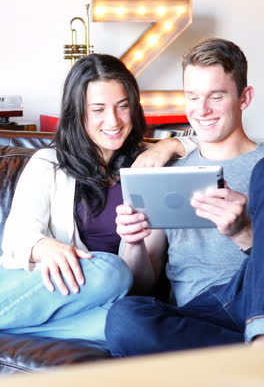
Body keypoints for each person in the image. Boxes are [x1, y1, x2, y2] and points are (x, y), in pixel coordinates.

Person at [0, 53, 196, 344]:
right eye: (98, 109)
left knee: (130, 320)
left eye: (122, 106)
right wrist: (46, 247)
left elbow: (142, 283)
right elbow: (16, 239)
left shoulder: (149, 171)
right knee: (111, 270)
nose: (113, 121)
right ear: (77, 112)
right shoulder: (48, 163)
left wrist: (169, 144)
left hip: (97, 302)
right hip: (31, 286)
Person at [105, 38, 264, 356]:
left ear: (244, 98)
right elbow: (140, 285)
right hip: (197, 316)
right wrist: (134, 241)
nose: (201, 110)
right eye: (193, 97)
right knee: (124, 319)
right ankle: (246, 356)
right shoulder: (164, 170)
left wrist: (245, 235)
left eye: (216, 97)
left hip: (251, 296)